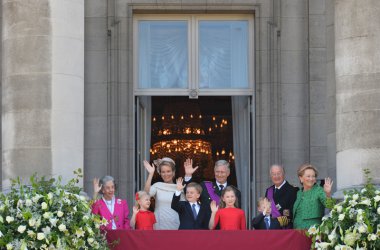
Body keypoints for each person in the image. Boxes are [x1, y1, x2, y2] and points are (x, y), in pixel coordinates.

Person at [143, 157, 184, 229]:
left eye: (168, 171)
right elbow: (145, 195)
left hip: (175, 223)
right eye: (163, 172)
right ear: (160, 173)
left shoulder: (179, 187)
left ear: (173, 172)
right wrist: (151, 174)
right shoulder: (157, 185)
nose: (166, 174)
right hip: (159, 223)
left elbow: (184, 208)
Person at [293, 163, 333, 229]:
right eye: (308, 176)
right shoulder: (299, 193)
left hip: (313, 232)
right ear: (301, 178)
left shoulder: (318, 190)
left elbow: (330, 206)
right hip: (297, 231)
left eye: (313, 176)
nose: (311, 179)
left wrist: (328, 193)